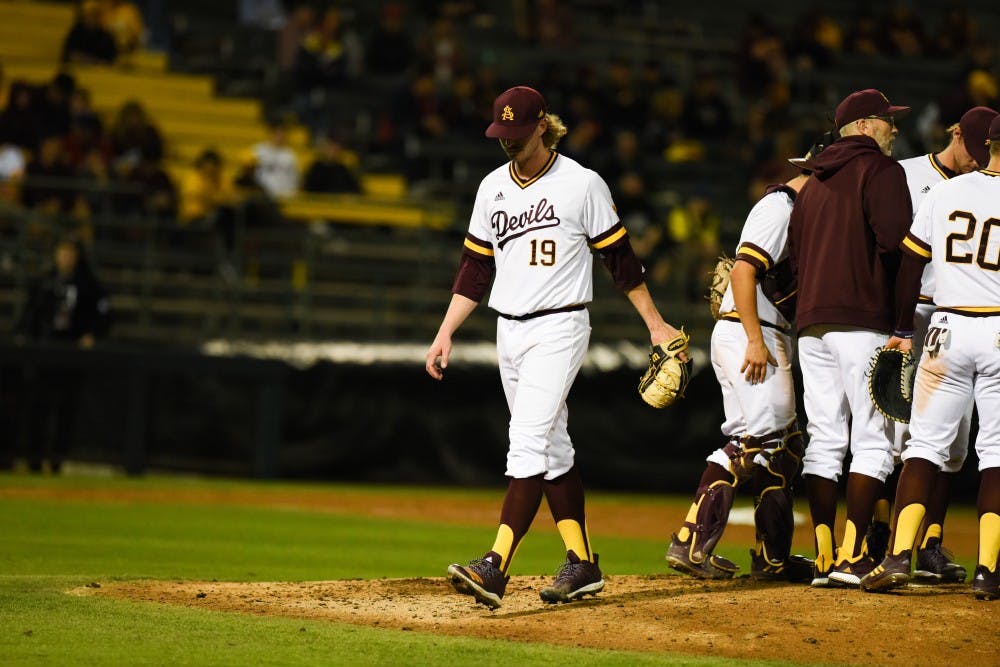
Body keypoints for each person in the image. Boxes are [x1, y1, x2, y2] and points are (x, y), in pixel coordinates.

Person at [425, 86, 687, 608]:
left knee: (524, 441)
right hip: (510, 329)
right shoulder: (491, 188)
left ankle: (495, 565)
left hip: (560, 327)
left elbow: (621, 260)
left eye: (517, 134)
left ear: (542, 125)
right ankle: (582, 561)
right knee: (553, 446)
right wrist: (446, 330)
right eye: (502, 135)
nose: (509, 144)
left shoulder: (581, 183)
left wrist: (656, 325)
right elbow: (475, 269)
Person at [664, 136, 833, 583]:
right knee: (764, 444)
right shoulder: (781, 207)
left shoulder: (801, 211)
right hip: (752, 332)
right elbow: (742, 269)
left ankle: (770, 558)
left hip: (751, 329)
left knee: (774, 443)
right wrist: (756, 341)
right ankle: (691, 543)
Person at [861, 114, 1000, 602]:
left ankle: (898, 556)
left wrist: (902, 329)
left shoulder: (946, 191)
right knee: (997, 453)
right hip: (999, 327)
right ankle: (988, 571)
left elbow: (911, 264)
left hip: (945, 329)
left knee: (924, 446)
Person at [787, 88, 914, 588]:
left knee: (824, 440)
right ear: (863, 126)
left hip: (812, 325)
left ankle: (823, 557)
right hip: (863, 320)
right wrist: (902, 322)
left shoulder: (812, 183)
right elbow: (898, 245)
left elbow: (795, 260)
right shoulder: (881, 171)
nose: (893, 129)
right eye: (886, 120)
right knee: (874, 441)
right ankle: (853, 555)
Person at [15, 233, 110, 473]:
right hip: (43, 352)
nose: (66, 257)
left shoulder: (88, 285)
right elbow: (29, 314)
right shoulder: (45, 281)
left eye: (70, 253)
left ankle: (57, 459)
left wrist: (92, 334)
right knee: (38, 406)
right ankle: (33, 458)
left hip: (70, 353)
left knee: (66, 409)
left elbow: (104, 316)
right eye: (62, 252)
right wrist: (25, 335)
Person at [61, 0, 118, 65]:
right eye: (91, 15)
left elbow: (111, 60)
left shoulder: (106, 36)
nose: (93, 19)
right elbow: (68, 55)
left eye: (96, 15)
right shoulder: (76, 32)